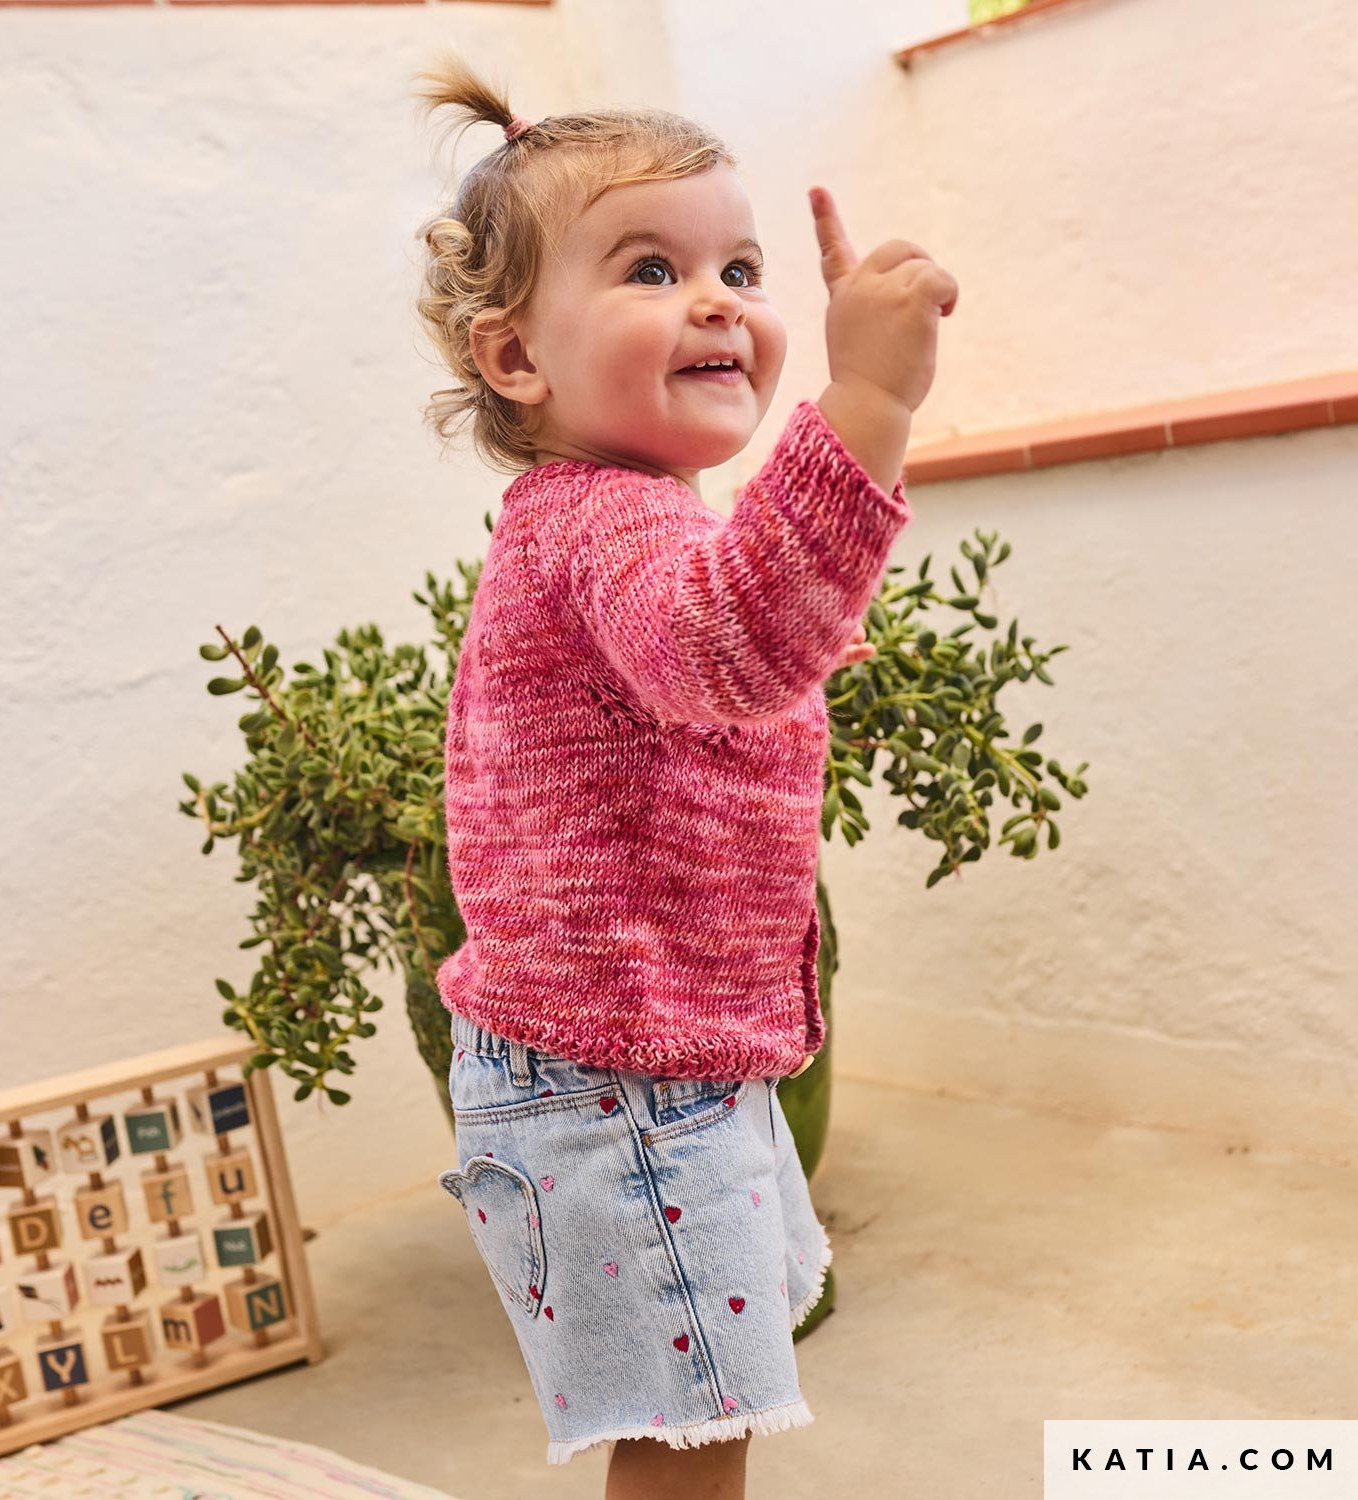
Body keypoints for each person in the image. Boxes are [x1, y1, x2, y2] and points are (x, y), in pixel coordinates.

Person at [410, 49, 958, 1497]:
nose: (719, 300)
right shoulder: (605, 523)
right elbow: (724, 646)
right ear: (515, 358)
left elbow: (719, 652)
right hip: (620, 1077)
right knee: (687, 1438)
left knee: (704, 1415)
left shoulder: (622, 519)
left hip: (648, 1060)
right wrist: (869, 402)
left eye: (740, 267)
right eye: (652, 270)